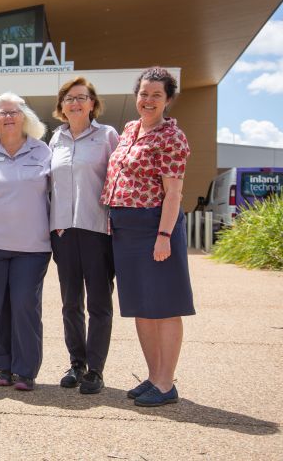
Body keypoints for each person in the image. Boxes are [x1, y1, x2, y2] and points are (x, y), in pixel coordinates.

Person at [101, 67, 195, 407]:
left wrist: (164, 235)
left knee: (165, 306)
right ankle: (154, 376)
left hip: (155, 226)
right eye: (144, 93)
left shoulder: (172, 138)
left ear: (168, 100)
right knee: (142, 306)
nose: (148, 100)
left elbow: (173, 194)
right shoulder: (129, 129)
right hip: (124, 231)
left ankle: (166, 382)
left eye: (156, 95)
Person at [0, 92, 52, 391]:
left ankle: (26, 370)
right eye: (2, 113)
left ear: (25, 117)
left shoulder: (43, 152)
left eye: (14, 112)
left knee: (25, 305)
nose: (8, 116)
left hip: (33, 247)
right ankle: (3, 366)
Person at [49, 77, 119, 394]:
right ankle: (77, 363)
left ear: (92, 103)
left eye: (82, 97)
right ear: (61, 107)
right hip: (64, 232)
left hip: (97, 229)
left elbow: (119, 181)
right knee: (70, 303)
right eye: (69, 98)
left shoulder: (107, 136)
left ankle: (96, 370)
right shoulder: (55, 140)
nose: (75, 103)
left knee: (100, 303)